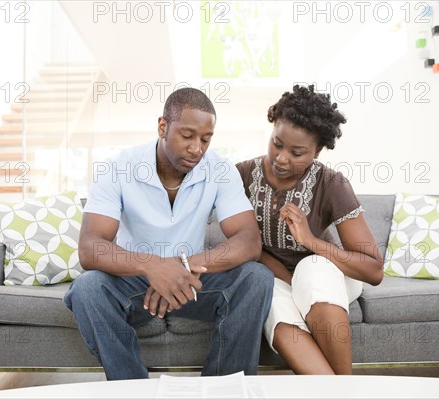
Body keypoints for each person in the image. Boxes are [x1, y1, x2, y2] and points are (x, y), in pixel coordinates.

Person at [64, 87, 274, 380]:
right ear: (163, 126)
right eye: (187, 136)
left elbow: (249, 241)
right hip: (134, 284)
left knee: (256, 278)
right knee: (86, 289)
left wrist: (181, 269)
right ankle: (132, 390)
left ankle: (223, 390)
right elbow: (91, 248)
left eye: (206, 139)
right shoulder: (118, 168)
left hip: (194, 281)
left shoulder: (220, 169)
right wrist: (153, 266)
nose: (197, 148)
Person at [236, 85, 384, 375]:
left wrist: (310, 241)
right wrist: (290, 285)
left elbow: (373, 271)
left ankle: (345, 389)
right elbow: (247, 247)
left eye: (297, 152)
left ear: (317, 151)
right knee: (272, 302)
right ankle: (342, 395)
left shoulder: (332, 184)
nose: (281, 158)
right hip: (275, 276)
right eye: (277, 144)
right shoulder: (241, 176)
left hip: (331, 273)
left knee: (312, 270)